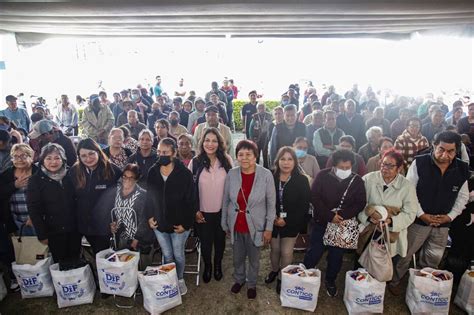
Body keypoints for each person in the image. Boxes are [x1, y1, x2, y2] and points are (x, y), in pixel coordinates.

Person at [390, 131, 470, 295]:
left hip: (443, 223)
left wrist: (450, 217)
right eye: (441, 149)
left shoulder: (462, 168)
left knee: (433, 257)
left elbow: (463, 197)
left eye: (451, 151)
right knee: (405, 253)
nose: (445, 155)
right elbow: (409, 192)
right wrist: (421, 215)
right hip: (418, 220)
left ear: (457, 151)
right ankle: (394, 280)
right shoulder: (420, 163)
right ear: (434, 146)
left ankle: (422, 284)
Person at [303, 150, 366, 297]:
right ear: (334, 165)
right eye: (341, 168)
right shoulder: (323, 176)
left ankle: (330, 280)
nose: (344, 171)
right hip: (321, 222)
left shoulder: (357, 181)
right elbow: (314, 196)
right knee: (315, 251)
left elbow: (360, 203)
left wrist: (342, 215)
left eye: (347, 168)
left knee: (336, 256)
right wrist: (330, 215)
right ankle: (305, 275)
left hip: (341, 225)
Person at [222, 140, 276, 299]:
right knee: (237, 256)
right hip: (236, 224)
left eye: (248, 154)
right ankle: (239, 279)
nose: (244, 158)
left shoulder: (266, 175)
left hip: (257, 225)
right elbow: (225, 200)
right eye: (240, 154)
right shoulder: (232, 174)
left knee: (254, 258)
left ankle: (251, 283)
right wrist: (224, 223)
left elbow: (271, 204)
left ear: (255, 156)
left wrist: (269, 228)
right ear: (236, 156)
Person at [358, 149, 420, 279]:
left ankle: (378, 289)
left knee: (384, 264)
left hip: (391, 232)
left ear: (399, 167)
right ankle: (360, 286)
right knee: (363, 261)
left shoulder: (407, 186)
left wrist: (391, 221)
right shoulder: (368, 179)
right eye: (383, 164)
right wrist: (368, 217)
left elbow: (410, 212)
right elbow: (357, 203)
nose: (385, 168)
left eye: (390, 166)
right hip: (369, 228)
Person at [146, 138, 195, 296]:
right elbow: (149, 197)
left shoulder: (185, 174)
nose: (161, 155)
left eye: (165, 152)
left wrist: (186, 224)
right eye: (159, 152)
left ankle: (179, 279)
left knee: (178, 254)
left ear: (174, 153)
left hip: (179, 225)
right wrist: (149, 216)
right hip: (160, 224)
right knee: (167, 254)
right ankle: (169, 280)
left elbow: (191, 201)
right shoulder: (153, 172)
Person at [189, 128, 233, 283]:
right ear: (202, 142)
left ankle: (218, 266)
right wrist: (195, 211)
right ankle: (207, 266)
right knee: (206, 242)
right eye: (207, 140)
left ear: (219, 143)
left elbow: (232, 186)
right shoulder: (195, 162)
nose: (210, 144)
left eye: (214, 140)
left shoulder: (226, 160)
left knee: (220, 241)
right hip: (203, 212)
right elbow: (189, 190)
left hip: (222, 211)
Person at [266, 146, 310, 294]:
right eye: (282, 159)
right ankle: (273, 270)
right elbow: (264, 200)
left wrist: (287, 220)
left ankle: (281, 277)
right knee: (275, 249)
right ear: (277, 161)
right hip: (272, 220)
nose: (286, 163)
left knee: (286, 252)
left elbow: (304, 205)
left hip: (291, 222)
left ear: (295, 162)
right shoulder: (270, 177)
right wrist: (272, 217)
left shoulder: (302, 180)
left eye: (290, 159)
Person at [26, 143, 81, 263]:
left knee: (76, 262)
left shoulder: (71, 175)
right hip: (53, 232)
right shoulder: (35, 180)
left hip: (74, 230)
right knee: (60, 265)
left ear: (63, 159)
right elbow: (34, 209)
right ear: (42, 160)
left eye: (57, 158)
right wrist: (42, 234)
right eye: (48, 158)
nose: (53, 162)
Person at [69, 138, 121, 254]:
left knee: (103, 258)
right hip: (81, 225)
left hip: (104, 227)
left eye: (91, 154)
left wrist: (116, 220)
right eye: (83, 156)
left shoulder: (113, 170)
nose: (88, 159)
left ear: (98, 152)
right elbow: (69, 198)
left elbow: (122, 198)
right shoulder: (74, 172)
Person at [109, 163, 150, 251]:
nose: (127, 180)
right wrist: (113, 224)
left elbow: (144, 220)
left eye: (131, 177)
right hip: (121, 238)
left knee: (139, 264)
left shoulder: (143, 195)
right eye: (125, 176)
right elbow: (113, 213)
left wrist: (136, 240)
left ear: (137, 179)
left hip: (139, 241)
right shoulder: (116, 192)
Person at [0, 144, 38, 236]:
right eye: (15, 157)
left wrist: (35, 216)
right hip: (15, 221)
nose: (19, 160)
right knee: (20, 249)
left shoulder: (38, 173)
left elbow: (48, 198)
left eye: (23, 156)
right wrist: (14, 185)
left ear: (31, 157)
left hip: (38, 221)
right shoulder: (6, 175)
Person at [249, 103, 273, 168]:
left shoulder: (269, 116)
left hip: (266, 137)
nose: (261, 109)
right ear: (257, 109)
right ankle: (255, 167)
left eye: (262, 108)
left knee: (265, 152)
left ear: (265, 108)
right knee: (257, 153)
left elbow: (272, 127)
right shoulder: (255, 116)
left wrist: (271, 137)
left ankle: (266, 168)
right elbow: (251, 128)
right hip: (256, 138)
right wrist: (251, 138)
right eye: (259, 108)